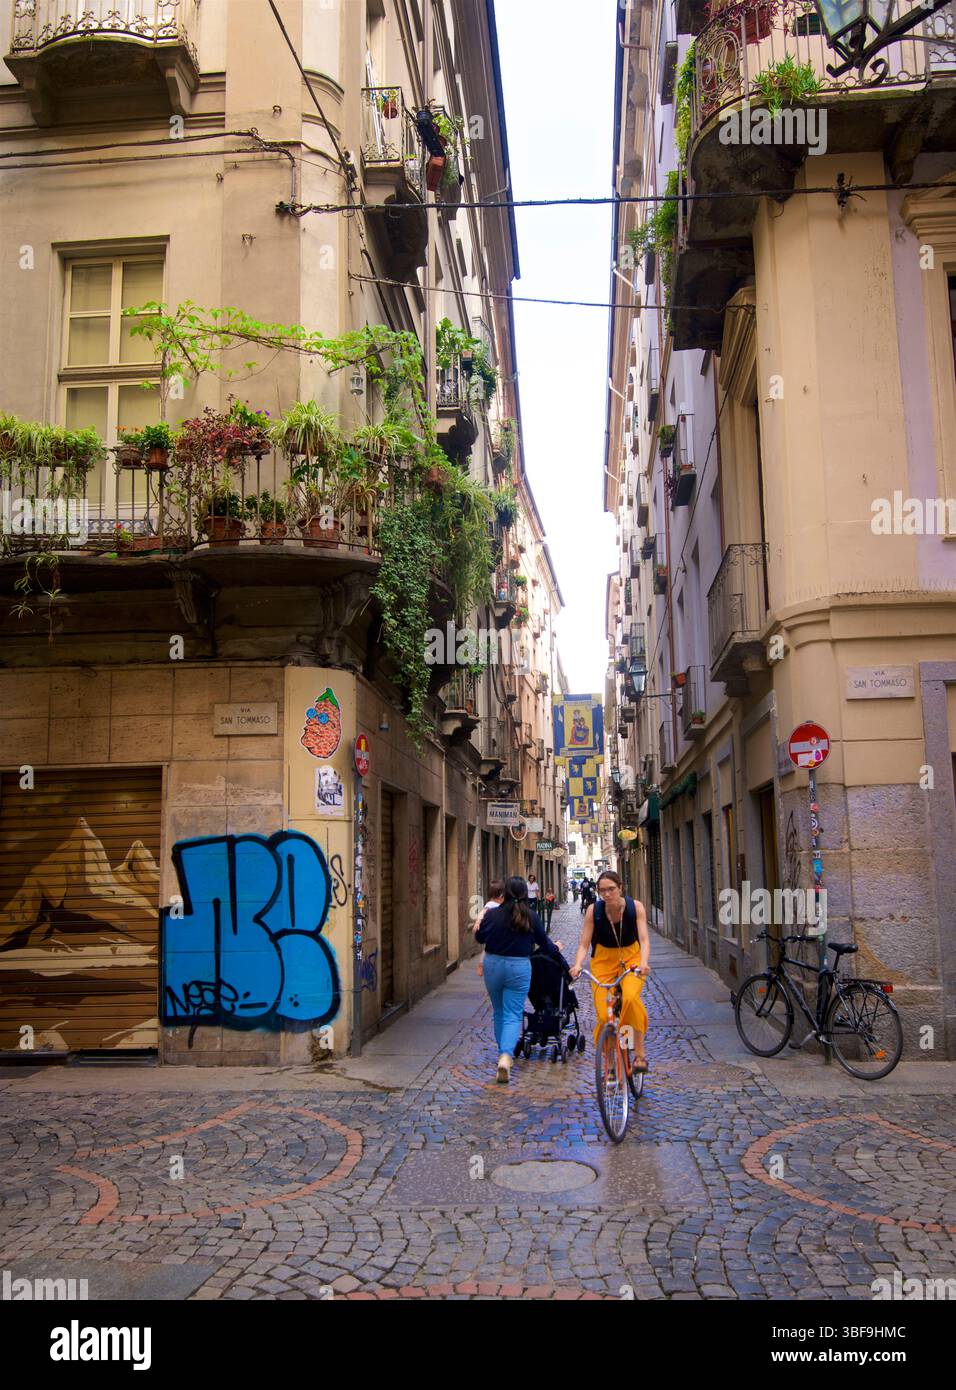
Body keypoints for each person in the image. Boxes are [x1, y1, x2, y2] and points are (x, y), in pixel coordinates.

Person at [474, 875, 563, 1083]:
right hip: (519, 967)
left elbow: (479, 938)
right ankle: (506, 1055)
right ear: (525, 894)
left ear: (504, 893)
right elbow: (546, 945)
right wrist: (556, 947)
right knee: (513, 1013)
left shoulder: (492, 915)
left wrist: (482, 918)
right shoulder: (531, 916)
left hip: (493, 965)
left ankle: (502, 1054)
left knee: (498, 1011)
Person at [570, 869, 651, 1071]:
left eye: (611, 889)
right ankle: (610, 1062)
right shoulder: (594, 911)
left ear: (620, 888)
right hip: (603, 962)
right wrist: (578, 964)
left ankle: (639, 1055)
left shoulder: (635, 908)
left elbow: (644, 939)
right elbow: (584, 944)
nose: (607, 894)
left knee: (631, 998)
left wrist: (644, 962)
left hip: (631, 958)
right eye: (602, 890)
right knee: (605, 1016)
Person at [475, 880, 505, 978]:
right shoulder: (491, 905)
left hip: (495, 933)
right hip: (493, 932)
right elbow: (482, 912)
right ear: (501, 895)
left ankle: (481, 964)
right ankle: (480, 964)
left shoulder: (497, 904)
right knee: (486, 950)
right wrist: (478, 922)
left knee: (487, 949)